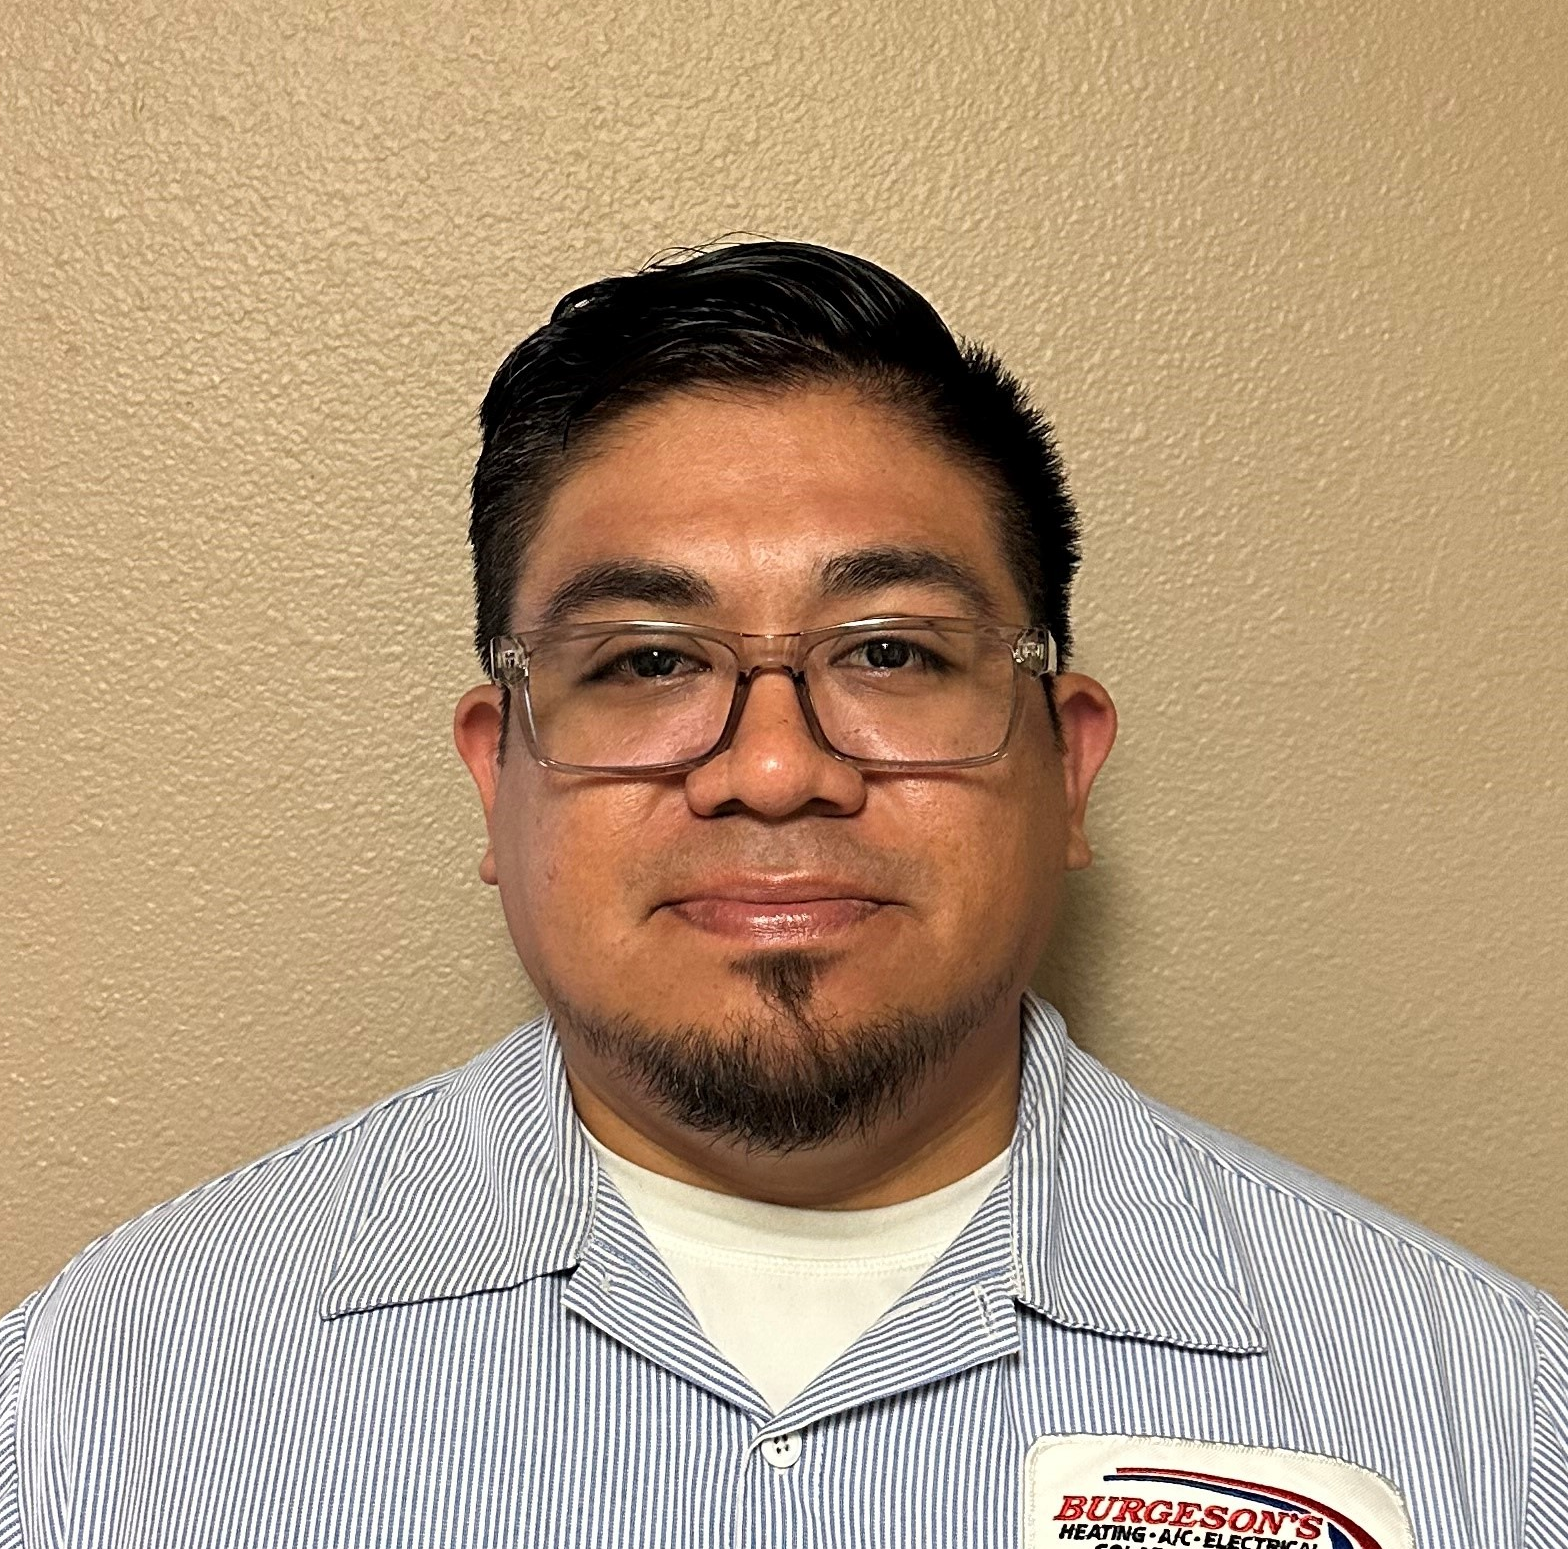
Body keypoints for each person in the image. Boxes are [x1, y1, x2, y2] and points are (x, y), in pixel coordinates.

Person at [1, 241, 1563, 1549]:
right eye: (646, 663)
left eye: (889, 651)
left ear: (1067, 762)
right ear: (499, 774)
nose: (770, 770)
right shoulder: (105, 1393)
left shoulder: (1493, 1411)